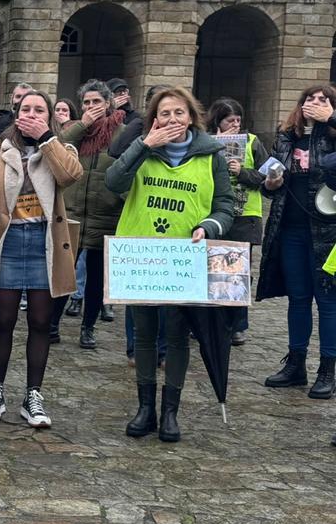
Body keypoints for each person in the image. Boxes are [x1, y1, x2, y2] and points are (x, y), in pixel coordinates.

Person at [106, 86, 234, 442]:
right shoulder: (142, 151)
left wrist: (209, 226)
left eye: (179, 113)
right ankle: (145, 407)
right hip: (142, 255)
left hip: (184, 258)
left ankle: (170, 412)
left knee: (177, 335)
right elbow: (113, 182)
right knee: (144, 334)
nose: (172, 120)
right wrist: (144, 144)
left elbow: (225, 205)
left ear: (192, 117)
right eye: (164, 114)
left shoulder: (212, 156)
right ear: (154, 119)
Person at [0, 90, 83, 428]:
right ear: (15, 113)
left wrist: (46, 138)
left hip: (45, 241)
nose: (32, 114)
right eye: (26, 109)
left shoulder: (61, 148)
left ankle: (33, 394)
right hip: (9, 241)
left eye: (40, 110)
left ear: (50, 116)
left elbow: (69, 176)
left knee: (40, 321)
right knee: (4, 319)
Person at [258, 85, 336, 399]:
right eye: (310, 99)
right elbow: (270, 186)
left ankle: (328, 370)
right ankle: (296, 364)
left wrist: (333, 119)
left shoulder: (332, 135)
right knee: (298, 298)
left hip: (328, 233)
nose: (314, 103)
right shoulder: (286, 137)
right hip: (289, 228)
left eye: (323, 100)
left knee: (329, 302)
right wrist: (271, 183)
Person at [54, 80, 126, 350]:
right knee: (63, 274)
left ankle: (88, 327)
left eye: (97, 102)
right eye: (86, 102)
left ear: (108, 104)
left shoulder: (121, 132)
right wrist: (82, 124)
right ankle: (52, 324)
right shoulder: (75, 131)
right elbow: (57, 149)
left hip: (105, 212)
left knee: (96, 277)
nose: (92, 107)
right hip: (72, 211)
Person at [207, 98, 268, 346]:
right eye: (229, 120)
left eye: (238, 120)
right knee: (213, 267)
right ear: (218, 121)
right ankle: (212, 320)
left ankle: (238, 325)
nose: (235, 124)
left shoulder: (252, 141)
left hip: (245, 215)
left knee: (237, 270)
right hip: (214, 213)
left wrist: (242, 172)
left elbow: (268, 174)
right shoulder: (206, 142)